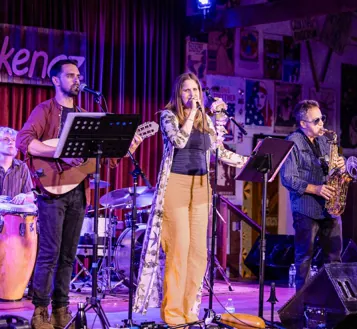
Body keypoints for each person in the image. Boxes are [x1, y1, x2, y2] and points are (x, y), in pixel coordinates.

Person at [16, 59, 142, 329]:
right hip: (51, 190)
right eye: (70, 75)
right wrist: (61, 150)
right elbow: (24, 141)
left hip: (78, 191)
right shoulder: (45, 111)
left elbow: (104, 160)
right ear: (55, 80)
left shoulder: (86, 116)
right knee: (49, 252)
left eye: (78, 75)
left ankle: (61, 311)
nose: (77, 79)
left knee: (68, 255)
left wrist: (125, 145)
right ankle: (40, 311)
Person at [133, 72, 248, 326]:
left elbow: (220, 152)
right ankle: (173, 314)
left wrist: (252, 163)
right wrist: (193, 116)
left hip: (202, 187)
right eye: (187, 90)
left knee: (198, 254)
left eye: (196, 90)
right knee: (179, 250)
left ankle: (190, 312)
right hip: (176, 184)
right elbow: (180, 140)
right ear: (178, 93)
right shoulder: (168, 117)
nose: (192, 95)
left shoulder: (205, 120)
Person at [280, 100, 345, 291]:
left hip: (329, 208)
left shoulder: (326, 140)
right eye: (316, 121)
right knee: (304, 259)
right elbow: (288, 179)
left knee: (334, 257)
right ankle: (301, 305)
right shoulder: (293, 142)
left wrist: (342, 164)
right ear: (303, 124)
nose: (322, 124)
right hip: (306, 209)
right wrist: (315, 189)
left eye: (322, 119)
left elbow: (334, 168)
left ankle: (333, 299)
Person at [0, 127, 35, 204]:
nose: (10, 142)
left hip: (13, 215)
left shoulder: (22, 167)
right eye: (6, 139)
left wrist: (25, 196)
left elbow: (31, 194)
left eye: (14, 140)